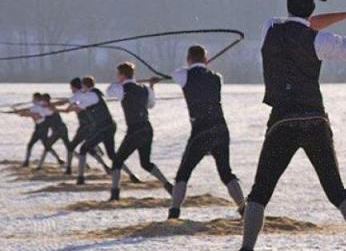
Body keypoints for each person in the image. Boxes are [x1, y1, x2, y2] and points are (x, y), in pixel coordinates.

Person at [239, 0, 346, 251]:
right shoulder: (319, 40)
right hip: (314, 120)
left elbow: (304, 23)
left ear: (287, 6)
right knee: (336, 191)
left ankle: (246, 249)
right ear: (312, 8)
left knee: (259, 193)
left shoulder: (270, 27)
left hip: (282, 121)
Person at [160, 45, 244, 220]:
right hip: (221, 128)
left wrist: (194, 66)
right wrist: (201, 65)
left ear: (188, 59)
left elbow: (176, 72)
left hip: (201, 129)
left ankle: (174, 214)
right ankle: (245, 210)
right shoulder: (217, 77)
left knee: (183, 172)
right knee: (226, 172)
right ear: (206, 59)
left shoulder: (183, 75)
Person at [106, 62, 173, 201]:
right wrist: (151, 87)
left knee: (117, 161)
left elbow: (109, 91)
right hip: (147, 129)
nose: (116, 77)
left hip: (135, 129)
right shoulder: (144, 89)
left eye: (118, 74)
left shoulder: (121, 88)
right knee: (146, 163)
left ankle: (114, 194)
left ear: (122, 75)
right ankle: (167, 185)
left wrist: (118, 82)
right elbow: (151, 105)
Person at [72, 76, 140, 185]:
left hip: (104, 127)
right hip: (108, 126)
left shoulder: (92, 95)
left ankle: (80, 178)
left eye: (82, 86)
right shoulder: (92, 95)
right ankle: (132, 175)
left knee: (84, 148)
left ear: (85, 86)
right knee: (112, 155)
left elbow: (77, 105)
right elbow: (77, 106)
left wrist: (62, 105)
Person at [20, 92, 64, 167]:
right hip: (39, 128)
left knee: (43, 145)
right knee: (40, 145)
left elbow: (31, 113)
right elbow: (29, 111)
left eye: (33, 98)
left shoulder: (39, 107)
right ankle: (58, 159)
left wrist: (22, 113)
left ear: (36, 99)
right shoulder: (37, 106)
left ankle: (27, 162)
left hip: (41, 128)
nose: (32, 100)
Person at [36, 93, 71, 169]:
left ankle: (39, 166)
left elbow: (54, 105)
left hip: (59, 130)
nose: (42, 102)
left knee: (48, 146)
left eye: (43, 100)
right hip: (62, 129)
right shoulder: (46, 108)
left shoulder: (51, 107)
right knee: (69, 147)